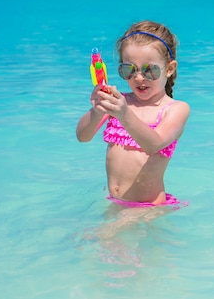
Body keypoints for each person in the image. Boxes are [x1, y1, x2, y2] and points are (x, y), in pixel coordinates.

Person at [76, 20, 190, 211]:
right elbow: (83, 136)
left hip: (147, 208)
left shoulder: (176, 109)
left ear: (169, 69)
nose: (138, 78)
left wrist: (124, 114)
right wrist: (97, 111)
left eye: (150, 70)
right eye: (129, 69)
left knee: (95, 238)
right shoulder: (120, 102)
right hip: (115, 202)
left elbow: (154, 143)